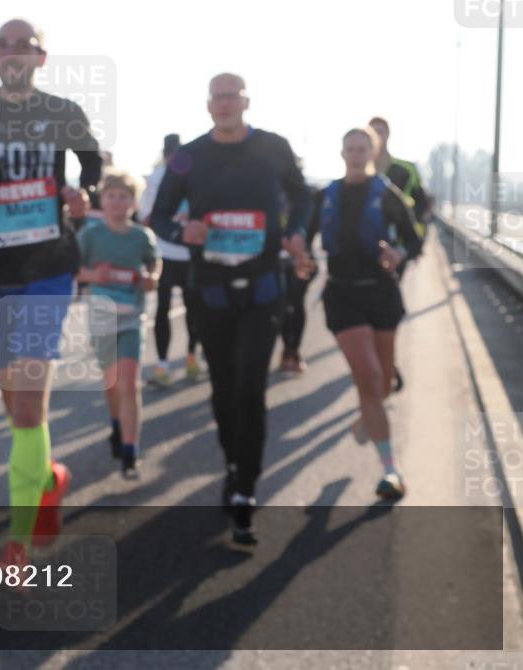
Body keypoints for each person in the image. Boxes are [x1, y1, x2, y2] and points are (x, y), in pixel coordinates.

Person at [0, 18, 102, 567]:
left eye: (23, 46)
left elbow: (94, 162)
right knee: (16, 407)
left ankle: (17, 544)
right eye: (4, 45)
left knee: (29, 409)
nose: (13, 53)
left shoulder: (62, 113)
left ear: (41, 58)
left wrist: (85, 193)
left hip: (48, 269)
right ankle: (48, 476)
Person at [150, 73, 312, 545]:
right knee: (223, 391)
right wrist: (184, 234)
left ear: (245, 101)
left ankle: (245, 490)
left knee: (249, 387)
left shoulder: (274, 148)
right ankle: (234, 463)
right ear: (208, 105)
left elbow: (302, 195)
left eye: (231, 96)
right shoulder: (189, 157)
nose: (224, 104)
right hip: (212, 292)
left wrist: (297, 229)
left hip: (263, 290)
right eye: (217, 97)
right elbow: (159, 215)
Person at [310, 127, 422, 500]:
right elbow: (302, 235)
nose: (356, 154)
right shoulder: (326, 195)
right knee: (369, 376)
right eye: (350, 149)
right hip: (342, 292)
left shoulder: (387, 194)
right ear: (341, 152)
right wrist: (299, 256)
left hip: (380, 292)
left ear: (373, 153)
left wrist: (398, 254)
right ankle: (391, 470)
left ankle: (366, 420)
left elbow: (413, 239)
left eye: (363, 149)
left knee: (385, 382)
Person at [77, 171, 159, 478]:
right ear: (102, 200)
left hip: (131, 319)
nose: (117, 202)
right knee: (112, 384)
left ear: (133, 202)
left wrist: (153, 278)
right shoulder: (90, 234)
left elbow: (154, 263)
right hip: (101, 320)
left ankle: (130, 452)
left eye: (124, 196)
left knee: (129, 384)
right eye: (111, 196)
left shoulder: (141, 236)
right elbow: (74, 271)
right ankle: (116, 423)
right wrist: (94, 276)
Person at [368, 116, 427, 393]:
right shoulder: (359, 168)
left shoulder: (405, 170)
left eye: (381, 132)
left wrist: (410, 244)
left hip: (397, 250)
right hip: (364, 250)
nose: (377, 136)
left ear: (388, 135)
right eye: (373, 132)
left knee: (385, 306)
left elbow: (422, 204)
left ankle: (387, 362)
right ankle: (377, 361)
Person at [140, 133, 199, 387]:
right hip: (165, 254)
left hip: (186, 255)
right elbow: (146, 216)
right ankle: (169, 363)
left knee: (190, 311)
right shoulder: (156, 179)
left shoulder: (189, 175)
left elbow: (145, 216)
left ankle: (189, 358)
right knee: (168, 310)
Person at [277, 184, 322, 374]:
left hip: (302, 260)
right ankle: (287, 350)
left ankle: (292, 352)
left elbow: (316, 227)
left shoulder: (308, 195)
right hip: (273, 262)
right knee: (281, 306)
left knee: (294, 303)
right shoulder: (265, 188)